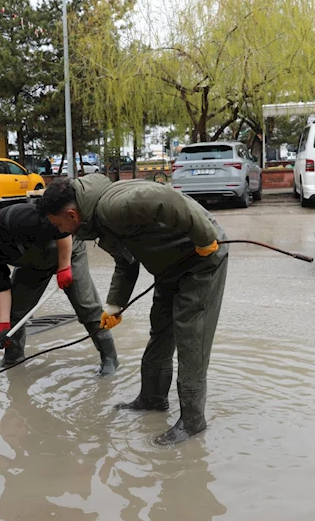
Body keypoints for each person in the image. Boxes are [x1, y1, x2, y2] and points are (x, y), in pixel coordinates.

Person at [36, 174, 228, 445]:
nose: (61, 232)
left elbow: (166, 198)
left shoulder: (112, 207)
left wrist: (205, 237)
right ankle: (152, 399)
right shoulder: (98, 220)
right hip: (170, 266)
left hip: (203, 258)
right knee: (160, 329)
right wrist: (114, 306)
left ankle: (193, 421)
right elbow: (127, 261)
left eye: (59, 225)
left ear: (71, 213)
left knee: (190, 336)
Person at [0, 203, 118, 376]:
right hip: (33, 265)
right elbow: (0, 286)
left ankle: (109, 358)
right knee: (14, 313)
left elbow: (62, 231)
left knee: (86, 306)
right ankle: (13, 359)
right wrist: (3, 326)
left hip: (67, 251)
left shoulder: (18, 218)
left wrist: (63, 268)